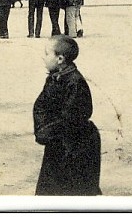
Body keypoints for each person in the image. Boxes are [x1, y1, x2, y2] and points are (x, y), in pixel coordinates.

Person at [33, 36, 102, 196]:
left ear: (60, 59)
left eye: (46, 53)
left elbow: (73, 116)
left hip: (76, 146)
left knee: (75, 189)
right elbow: (40, 105)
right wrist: (43, 129)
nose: (43, 57)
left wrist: (47, 131)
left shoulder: (75, 82)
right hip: (58, 142)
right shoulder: (55, 78)